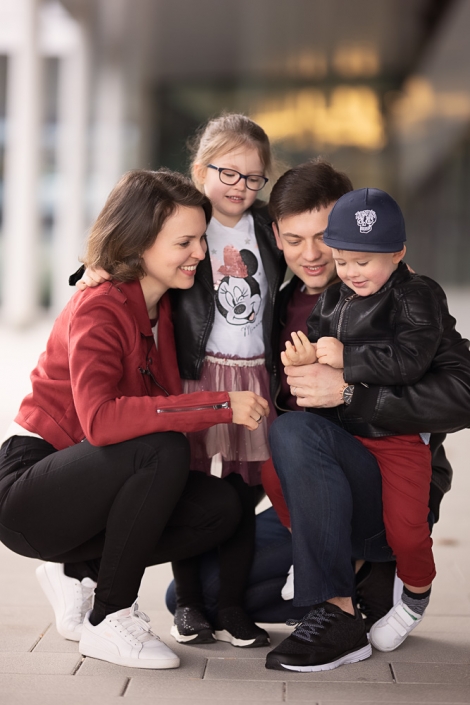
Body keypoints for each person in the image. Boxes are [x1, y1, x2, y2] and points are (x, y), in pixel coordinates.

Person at [165, 159, 470, 666]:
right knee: (198, 596)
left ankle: (341, 607)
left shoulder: (404, 294)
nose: (312, 254)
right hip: (315, 486)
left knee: (295, 433)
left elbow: (462, 393)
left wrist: (348, 391)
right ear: (277, 241)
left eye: (325, 236)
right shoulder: (279, 308)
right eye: (294, 239)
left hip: (388, 478)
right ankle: (345, 582)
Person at [0, 169, 270, 670]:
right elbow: (101, 422)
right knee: (160, 445)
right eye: (184, 242)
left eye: (200, 240)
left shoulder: (165, 305)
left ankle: (77, 572)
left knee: (221, 506)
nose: (198, 253)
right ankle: (110, 617)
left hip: (96, 484)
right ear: (140, 241)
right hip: (32, 487)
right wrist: (220, 404)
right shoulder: (99, 306)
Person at [70, 114, 286, 649]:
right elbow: (126, 251)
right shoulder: (184, 222)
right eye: (228, 173)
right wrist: (89, 272)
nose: (240, 187)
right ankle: (189, 604)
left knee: (244, 491)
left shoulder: (266, 227)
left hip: (253, 375)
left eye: (253, 177)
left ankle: (231, 606)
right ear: (199, 170)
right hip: (195, 375)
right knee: (188, 482)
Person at [264, 177, 470, 671]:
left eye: (363, 261)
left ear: (397, 253)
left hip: (393, 446)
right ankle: (326, 565)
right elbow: (313, 354)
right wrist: (306, 359)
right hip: (337, 453)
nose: (346, 270)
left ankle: (401, 597)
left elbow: (414, 363)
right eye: (342, 261)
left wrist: (346, 367)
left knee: (406, 530)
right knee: (274, 460)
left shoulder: (416, 295)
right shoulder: (321, 298)